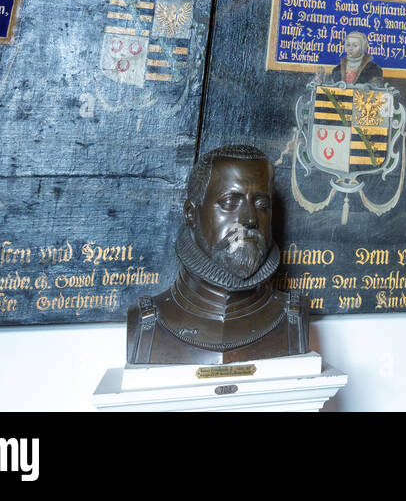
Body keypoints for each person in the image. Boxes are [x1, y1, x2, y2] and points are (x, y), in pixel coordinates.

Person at [125, 145, 309, 364]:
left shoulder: (294, 317)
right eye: (230, 203)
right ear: (191, 214)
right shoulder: (147, 321)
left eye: (261, 204)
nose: (250, 219)